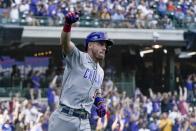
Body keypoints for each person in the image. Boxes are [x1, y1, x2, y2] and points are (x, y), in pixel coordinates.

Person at [48, 11, 113, 131]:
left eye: (106, 46)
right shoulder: (78, 57)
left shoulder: (100, 71)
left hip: (84, 121)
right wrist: (67, 24)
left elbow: (96, 89)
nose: (104, 48)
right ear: (90, 45)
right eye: (101, 44)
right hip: (64, 118)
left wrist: (99, 102)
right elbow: (65, 43)